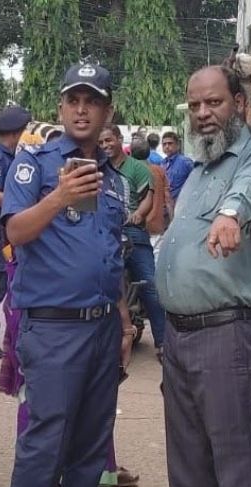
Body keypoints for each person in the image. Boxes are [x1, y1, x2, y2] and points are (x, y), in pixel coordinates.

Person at [0, 62, 133, 487]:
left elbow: (110, 254)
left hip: (100, 329)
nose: (81, 109)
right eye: (73, 99)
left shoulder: (115, 181)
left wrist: (123, 319)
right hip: (52, 328)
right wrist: (60, 196)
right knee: (44, 445)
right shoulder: (34, 163)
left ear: (106, 111)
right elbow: (14, 233)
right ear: (61, 108)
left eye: (91, 100)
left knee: (90, 445)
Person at [156, 65, 251, 487]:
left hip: (225, 336)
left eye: (214, 103)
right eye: (195, 106)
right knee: (187, 465)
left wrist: (231, 214)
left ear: (239, 104)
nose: (204, 114)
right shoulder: (198, 168)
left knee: (234, 463)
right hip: (180, 336)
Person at [99, 124, 166, 360]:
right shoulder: (97, 168)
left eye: (109, 140)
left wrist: (138, 215)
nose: (106, 146)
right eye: (102, 143)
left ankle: (163, 342)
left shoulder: (136, 168)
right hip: (104, 232)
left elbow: (147, 197)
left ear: (119, 140)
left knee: (150, 284)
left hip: (132, 231)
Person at [0, 105, 32, 360]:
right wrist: (25, 201)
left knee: (17, 284)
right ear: (14, 133)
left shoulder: (17, 158)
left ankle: (16, 335)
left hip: (15, 230)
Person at [161, 131, 194, 202]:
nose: (167, 146)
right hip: (166, 205)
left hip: (181, 204)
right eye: (164, 144)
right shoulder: (162, 163)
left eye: (170, 143)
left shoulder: (186, 162)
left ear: (177, 145)